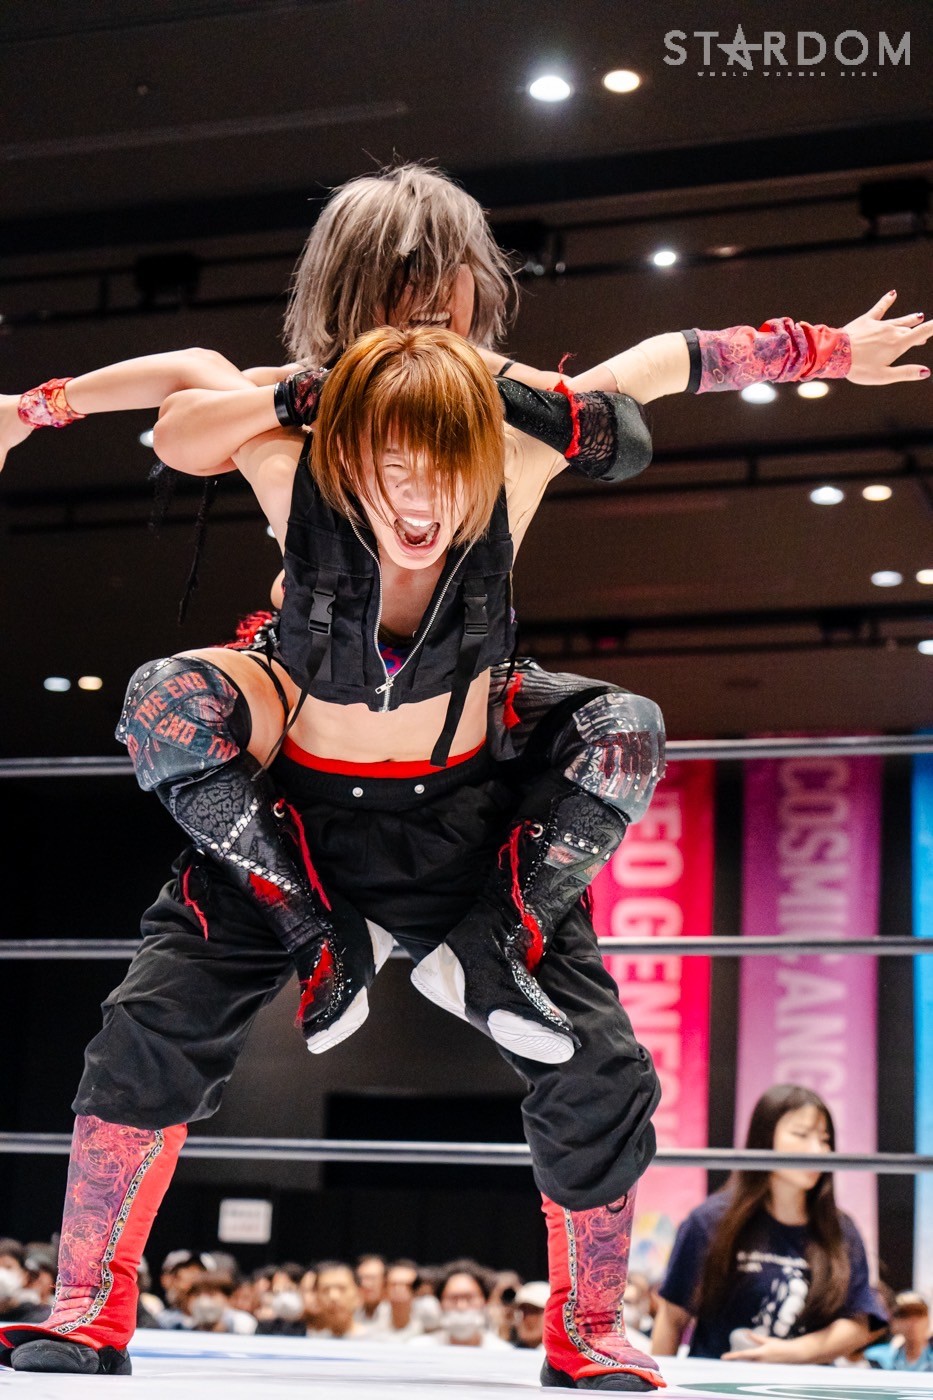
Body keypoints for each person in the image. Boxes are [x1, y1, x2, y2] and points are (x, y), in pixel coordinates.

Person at [0, 162, 927, 1388]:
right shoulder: (283, 426)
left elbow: (661, 366)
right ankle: (90, 1299)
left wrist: (825, 351)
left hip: (469, 821)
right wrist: (48, 404)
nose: (416, 493)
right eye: (397, 295)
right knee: (146, 1017)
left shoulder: (521, 423)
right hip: (290, 821)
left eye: (438, 297)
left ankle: (585, 1315)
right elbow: (179, 411)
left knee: (602, 1050)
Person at [651, 1084, 887, 1365]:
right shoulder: (709, 1222)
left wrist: (795, 1352)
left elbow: (860, 1321)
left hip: (805, 1386)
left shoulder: (840, 1230)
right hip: (716, 1383)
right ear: (764, 1139)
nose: (818, 1150)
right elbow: (672, 1318)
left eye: (825, 1140)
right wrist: (657, 1384)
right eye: (801, 1135)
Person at [410, 1260, 510, 1350]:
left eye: (469, 1298)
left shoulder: (502, 1352)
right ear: (440, 1303)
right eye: (453, 1298)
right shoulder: (419, 1349)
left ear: (485, 1301)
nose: (461, 1306)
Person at [865, 1293, 933, 1372]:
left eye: (919, 1314)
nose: (912, 1321)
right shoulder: (878, 1358)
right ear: (894, 1321)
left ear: (927, 1320)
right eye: (905, 1315)